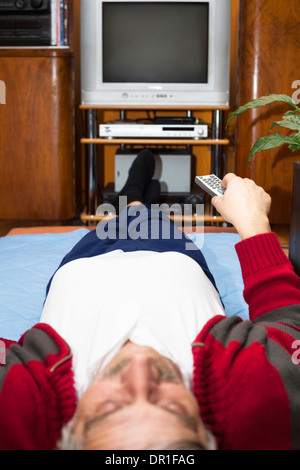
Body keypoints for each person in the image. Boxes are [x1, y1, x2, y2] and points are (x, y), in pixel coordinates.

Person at [0, 149, 300, 451]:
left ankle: (132, 196)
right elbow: (289, 322)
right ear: (205, 431)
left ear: (69, 431)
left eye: (110, 406)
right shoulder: (259, 399)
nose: (142, 366)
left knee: (121, 220)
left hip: (84, 262)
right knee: (154, 221)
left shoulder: (19, 410)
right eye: (171, 406)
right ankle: (141, 201)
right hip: (173, 256)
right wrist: (253, 221)